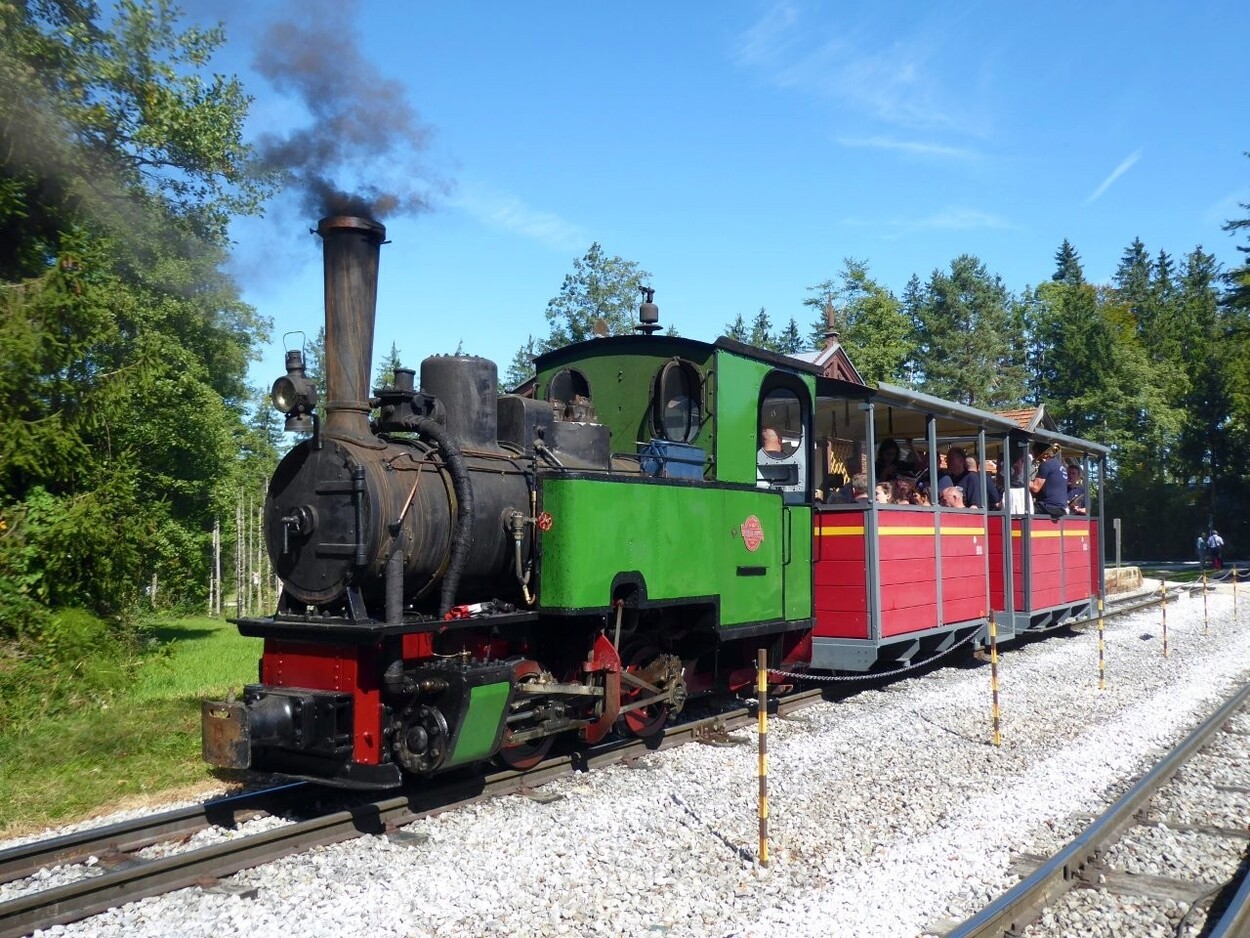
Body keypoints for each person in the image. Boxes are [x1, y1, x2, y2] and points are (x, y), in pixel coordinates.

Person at [1029, 442, 1067, 519]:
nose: (1034, 456)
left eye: (1034, 453)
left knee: (1021, 507)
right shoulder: (1059, 466)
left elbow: (1035, 488)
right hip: (1060, 508)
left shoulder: (1046, 464)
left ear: (1039, 452)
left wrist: (1022, 480)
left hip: (1048, 506)